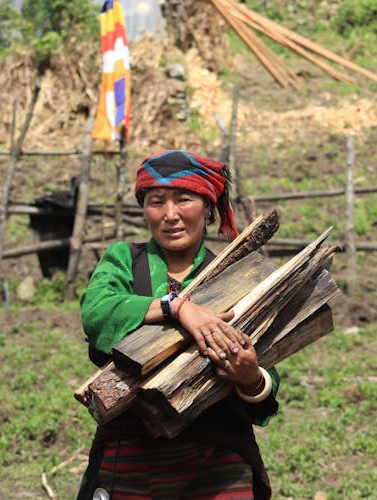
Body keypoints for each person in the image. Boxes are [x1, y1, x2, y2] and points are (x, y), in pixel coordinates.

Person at [77, 149, 280, 499]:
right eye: (157, 202)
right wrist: (177, 308)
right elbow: (97, 311)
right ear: (144, 211)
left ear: (208, 208)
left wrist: (250, 376)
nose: (170, 215)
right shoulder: (125, 261)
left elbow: (267, 372)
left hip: (217, 454)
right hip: (132, 451)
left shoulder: (235, 277)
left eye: (184, 200)